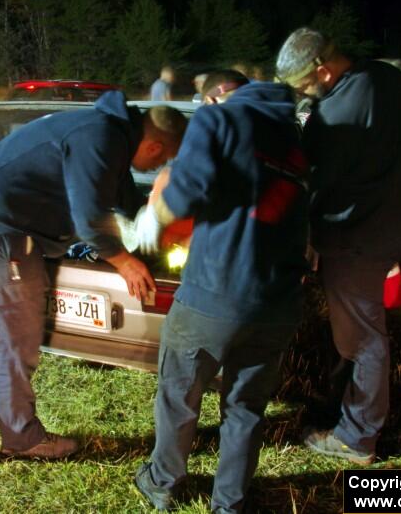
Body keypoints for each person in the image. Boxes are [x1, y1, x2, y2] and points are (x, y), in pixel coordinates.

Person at [0, 91, 187, 463]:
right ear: (154, 144)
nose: (155, 167)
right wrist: (125, 262)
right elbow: (88, 218)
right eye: (160, 160)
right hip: (2, 235)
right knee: (17, 337)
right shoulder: (102, 137)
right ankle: (22, 438)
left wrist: (156, 221)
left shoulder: (109, 132)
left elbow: (122, 196)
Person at [132, 70, 310, 512]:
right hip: (278, 301)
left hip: (213, 296)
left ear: (212, 99)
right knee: (246, 408)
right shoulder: (297, 136)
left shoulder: (219, 120)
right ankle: (229, 503)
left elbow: (187, 191)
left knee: (179, 393)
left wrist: (154, 215)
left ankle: (163, 481)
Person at [275, 28, 401, 465]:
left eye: (304, 86)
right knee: (356, 329)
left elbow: (318, 178)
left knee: (362, 337)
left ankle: (357, 437)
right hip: (383, 226)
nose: (303, 94)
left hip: (352, 236)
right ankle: (344, 407)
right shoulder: (385, 78)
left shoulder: (341, 108)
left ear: (322, 70)